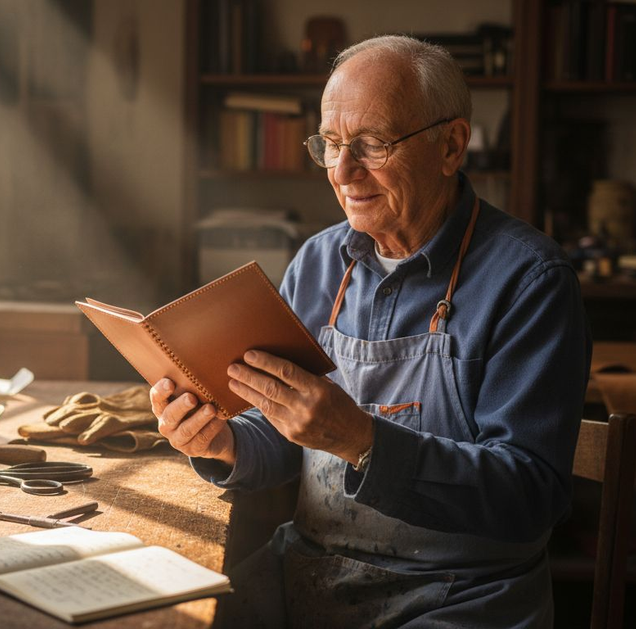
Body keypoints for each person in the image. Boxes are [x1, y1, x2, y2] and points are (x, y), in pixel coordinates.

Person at [151, 35, 591, 628]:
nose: (342, 171)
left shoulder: (531, 281)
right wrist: (221, 443)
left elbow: (530, 497)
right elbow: (283, 439)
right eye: (331, 144)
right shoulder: (318, 262)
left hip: (460, 596)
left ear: (451, 145)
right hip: (310, 572)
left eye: (372, 144)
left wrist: (362, 441)